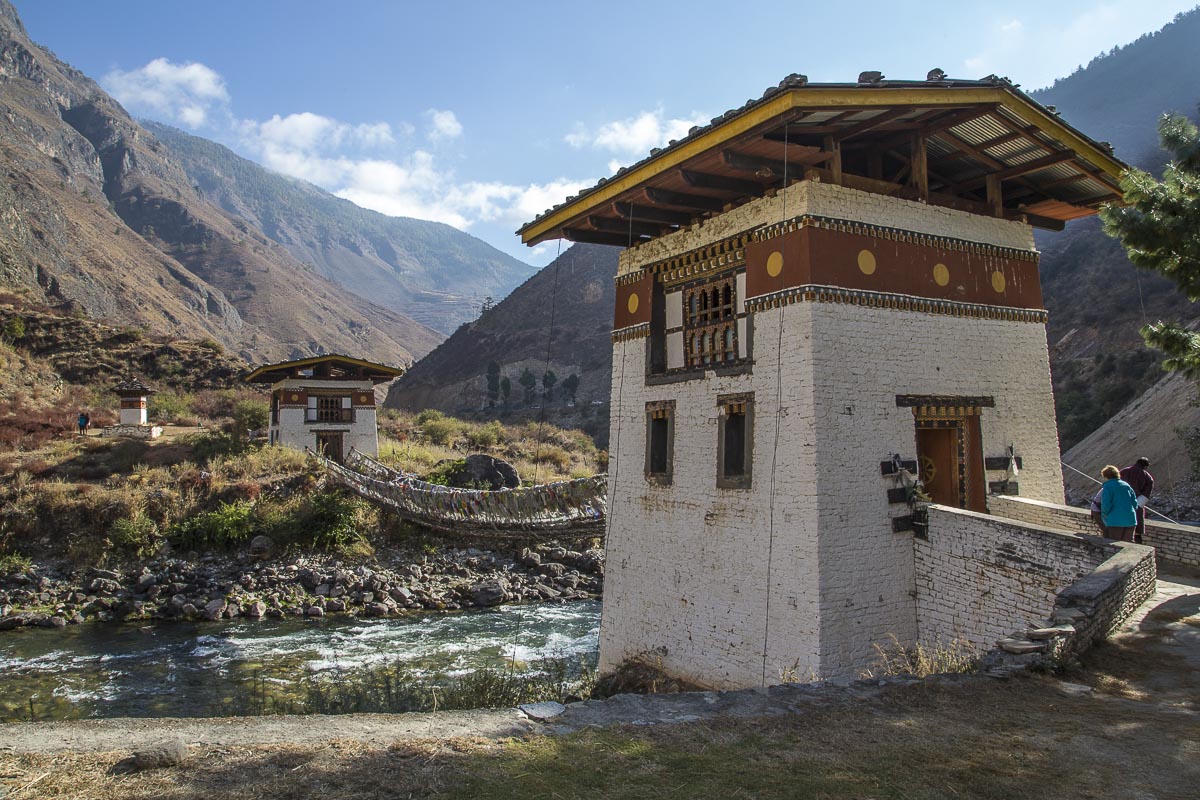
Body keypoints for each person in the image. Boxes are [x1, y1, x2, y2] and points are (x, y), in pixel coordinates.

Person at [1099, 464, 1138, 543]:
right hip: (1130, 520)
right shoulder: (1126, 485)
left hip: (1114, 521)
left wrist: (1105, 516)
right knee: (1129, 545)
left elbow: (1106, 505)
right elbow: (1135, 504)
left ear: (1106, 476)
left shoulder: (1108, 487)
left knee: (1113, 544)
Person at [1119, 457, 1154, 544]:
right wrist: (1138, 505)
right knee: (1136, 529)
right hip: (1136, 504)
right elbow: (1146, 494)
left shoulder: (1123, 471)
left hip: (1121, 503)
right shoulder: (1147, 477)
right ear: (1145, 466)